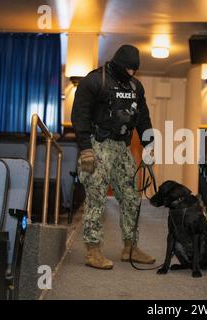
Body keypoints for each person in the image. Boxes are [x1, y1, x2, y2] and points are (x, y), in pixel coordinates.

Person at [71, 44, 155, 270]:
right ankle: (93, 250)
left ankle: (130, 247)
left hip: (122, 148)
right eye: (127, 69)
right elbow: (79, 115)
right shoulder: (94, 81)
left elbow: (143, 117)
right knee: (96, 197)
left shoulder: (136, 86)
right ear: (117, 64)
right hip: (97, 146)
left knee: (131, 197)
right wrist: (85, 148)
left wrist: (149, 144)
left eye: (134, 70)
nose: (131, 74)